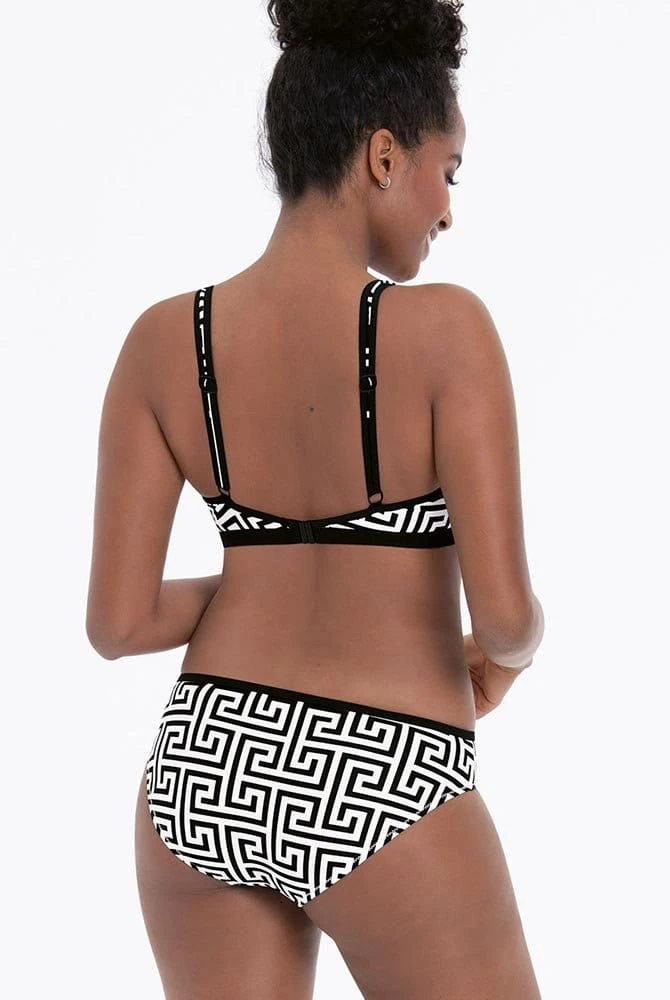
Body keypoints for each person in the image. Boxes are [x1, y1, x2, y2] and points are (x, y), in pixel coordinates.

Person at [86, 0, 545, 996]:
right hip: (382, 778)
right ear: (383, 156)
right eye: (448, 171)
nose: (448, 209)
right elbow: (506, 616)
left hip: (201, 772)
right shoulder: (447, 333)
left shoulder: (162, 343)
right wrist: (509, 658)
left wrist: (259, 582)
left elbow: (117, 625)